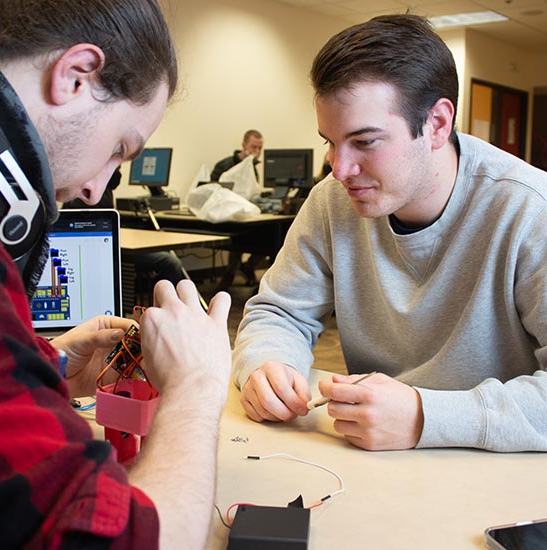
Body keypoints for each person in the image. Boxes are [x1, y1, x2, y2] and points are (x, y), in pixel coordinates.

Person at [0, 1, 232, 548]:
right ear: (76, 76)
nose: (99, 189)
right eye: (120, 148)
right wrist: (198, 386)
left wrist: (42, 361)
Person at [233, 14, 547, 453]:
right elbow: (278, 314)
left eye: (365, 142)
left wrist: (425, 417)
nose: (339, 169)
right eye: (330, 141)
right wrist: (266, 363)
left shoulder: (530, 210)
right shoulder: (331, 201)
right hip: (373, 462)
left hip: (494, 476)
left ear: (437, 124)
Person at [64, 168, 186, 287]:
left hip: (97, 250)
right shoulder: (96, 191)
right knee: (169, 262)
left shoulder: (89, 183)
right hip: (100, 253)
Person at [211, 129, 266, 288]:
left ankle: (248, 266)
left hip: (246, 215)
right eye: (253, 147)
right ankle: (230, 274)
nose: (257, 152)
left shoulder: (252, 168)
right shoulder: (225, 166)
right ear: (243, 145)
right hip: (225, 216)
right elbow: (211, 190)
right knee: (238, 240)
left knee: (268, 235)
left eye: (260, 148)